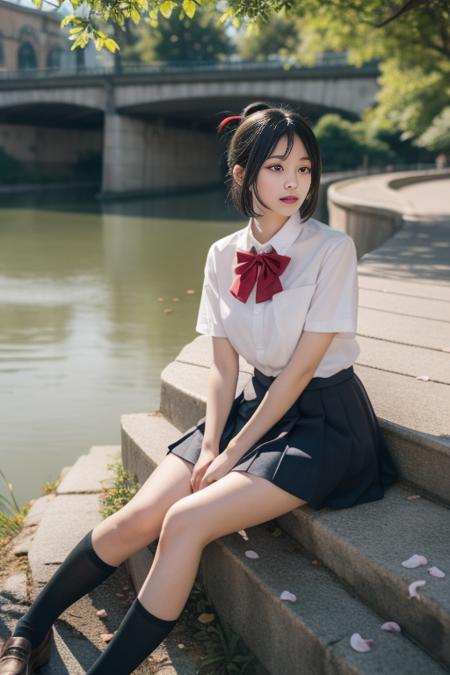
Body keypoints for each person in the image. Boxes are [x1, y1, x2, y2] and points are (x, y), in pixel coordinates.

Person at [0, 101, 399, 674]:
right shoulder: (221, 255)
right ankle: (28, 631)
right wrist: (212, 444)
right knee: (135, 519)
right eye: (277, 168)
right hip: (249, 408)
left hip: (321, 422)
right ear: (242, 174)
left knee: (183, 521)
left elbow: (301, 371)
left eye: (305, 168)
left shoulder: (332, 250)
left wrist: (234, 453)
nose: (294, 183)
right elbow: (221, 368)